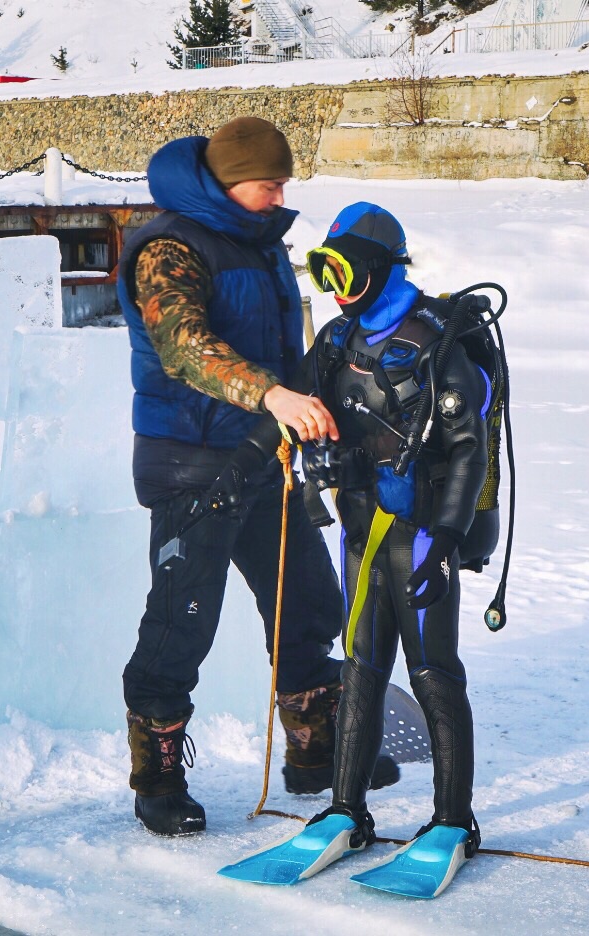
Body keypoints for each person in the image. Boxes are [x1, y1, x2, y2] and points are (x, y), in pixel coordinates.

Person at [116, 118, 397, 837]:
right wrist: (271, 395)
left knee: (307, 603)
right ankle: (158, 779)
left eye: (282, 184)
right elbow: (183, 344)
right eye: (268, 184)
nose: (279, 195)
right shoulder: (169, 246)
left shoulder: (262, 242)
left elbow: (281, 340)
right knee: (183, 622)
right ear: (229, 179)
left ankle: (312, 751)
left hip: (265, 461)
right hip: (191, 462)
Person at [216, 201, 498, 877]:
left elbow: (468, 449)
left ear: (376, 267)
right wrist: (237, 469)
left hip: (424, 533)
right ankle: (347, 807)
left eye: (342, 267)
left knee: (433, 674)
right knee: (362, 667)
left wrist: (453, 533)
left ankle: (454, 818)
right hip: (360, 531)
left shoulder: (436, 345)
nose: (334, 283)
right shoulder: (338, 343)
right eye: (323, 268)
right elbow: (294, 407)